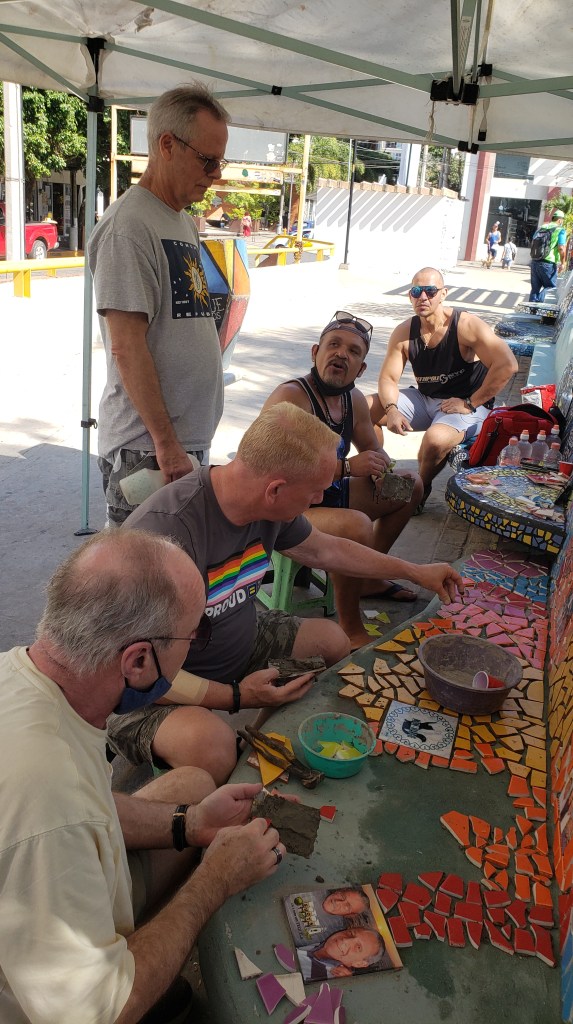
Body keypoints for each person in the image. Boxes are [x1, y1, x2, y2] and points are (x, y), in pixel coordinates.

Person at [0, 529, 286, 1024]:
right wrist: (214, 879)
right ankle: (136, 979)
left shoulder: (23, 677)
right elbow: (96, 1013)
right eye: (194, 636)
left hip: (46, 880)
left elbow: (91, 805)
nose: (193, 649)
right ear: (137, 660)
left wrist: (190, 823)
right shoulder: (50, 797)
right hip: (45, 1002)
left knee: (194, 787)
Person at [106, 404, 464, 777]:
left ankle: (260, 745)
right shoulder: (166, 536)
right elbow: (139, 671)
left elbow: (328, 550)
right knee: (212, 748)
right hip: (149, 693)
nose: (319, 500)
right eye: (315, 493)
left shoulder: (264, 504)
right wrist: (237, 697)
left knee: (331, 641)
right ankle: (230, 762)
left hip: (238, 646)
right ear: (275, 489)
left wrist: (415, 571)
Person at [88, 84, 231, 526]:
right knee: (141, 566)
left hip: (178, 444)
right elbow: (127, 347)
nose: (215, 174)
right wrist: (166, 445)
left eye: (219, 162)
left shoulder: (180, 220)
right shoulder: (128, 227)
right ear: (167, 145)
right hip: (148, 449)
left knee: (176, 559)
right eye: (207, 160)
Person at [262, 311, 424, 649]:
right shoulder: (291, 397)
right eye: (333, 345)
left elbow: (372, 448)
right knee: (356, 525)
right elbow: (263, 467)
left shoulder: (353, 400)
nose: (341, 354)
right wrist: (347, 468)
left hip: (328, 495)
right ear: (315, 352)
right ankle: (350, 628)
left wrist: (381, 468)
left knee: (411, 486)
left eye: (353, 351)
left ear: (360, 369)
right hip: (284, 511)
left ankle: (368, 577)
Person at [368, 268, 518, 512]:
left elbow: (507, 365)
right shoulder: (405, 332)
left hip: (465, 405)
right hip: (426, 399)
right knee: (363, 408)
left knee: (435, 440)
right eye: (417, 291)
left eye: (430, 291)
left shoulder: (465, 325)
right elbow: (387, 378)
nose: (423, 297)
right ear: (410, 296)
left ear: (443, 294)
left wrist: (471, 402)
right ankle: (380, 477)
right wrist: (392, 409)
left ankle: (418, 489)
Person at [298, 926, 386, 980]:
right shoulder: (320, 943)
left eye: (358, 947)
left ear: (359, 964)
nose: (345, 940)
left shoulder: (324, 979)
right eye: (351, 933)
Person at [529, 209, 568, 303]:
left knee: (535, 289)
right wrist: (563, 263)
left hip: (535, 261)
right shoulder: (560, 230)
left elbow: (533, 242)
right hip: (548, 263)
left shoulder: (541, 228)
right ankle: (540, 307)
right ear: (560, 220)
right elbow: (561, 248)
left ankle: (531, 309)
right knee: (550, 287)